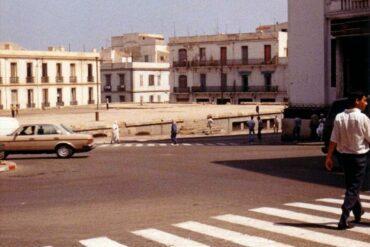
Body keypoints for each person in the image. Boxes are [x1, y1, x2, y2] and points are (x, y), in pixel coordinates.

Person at [325, 92, 369, 230]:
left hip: (343, 157)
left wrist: (329, 156)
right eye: (364, 100)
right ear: (357, 101)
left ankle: (358, 211)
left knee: (351, 185)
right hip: (359, 157)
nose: (366, 103)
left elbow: (333, 139)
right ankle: (343, 218)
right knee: (353, 187)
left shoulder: (339, 117)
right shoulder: (363, 118)